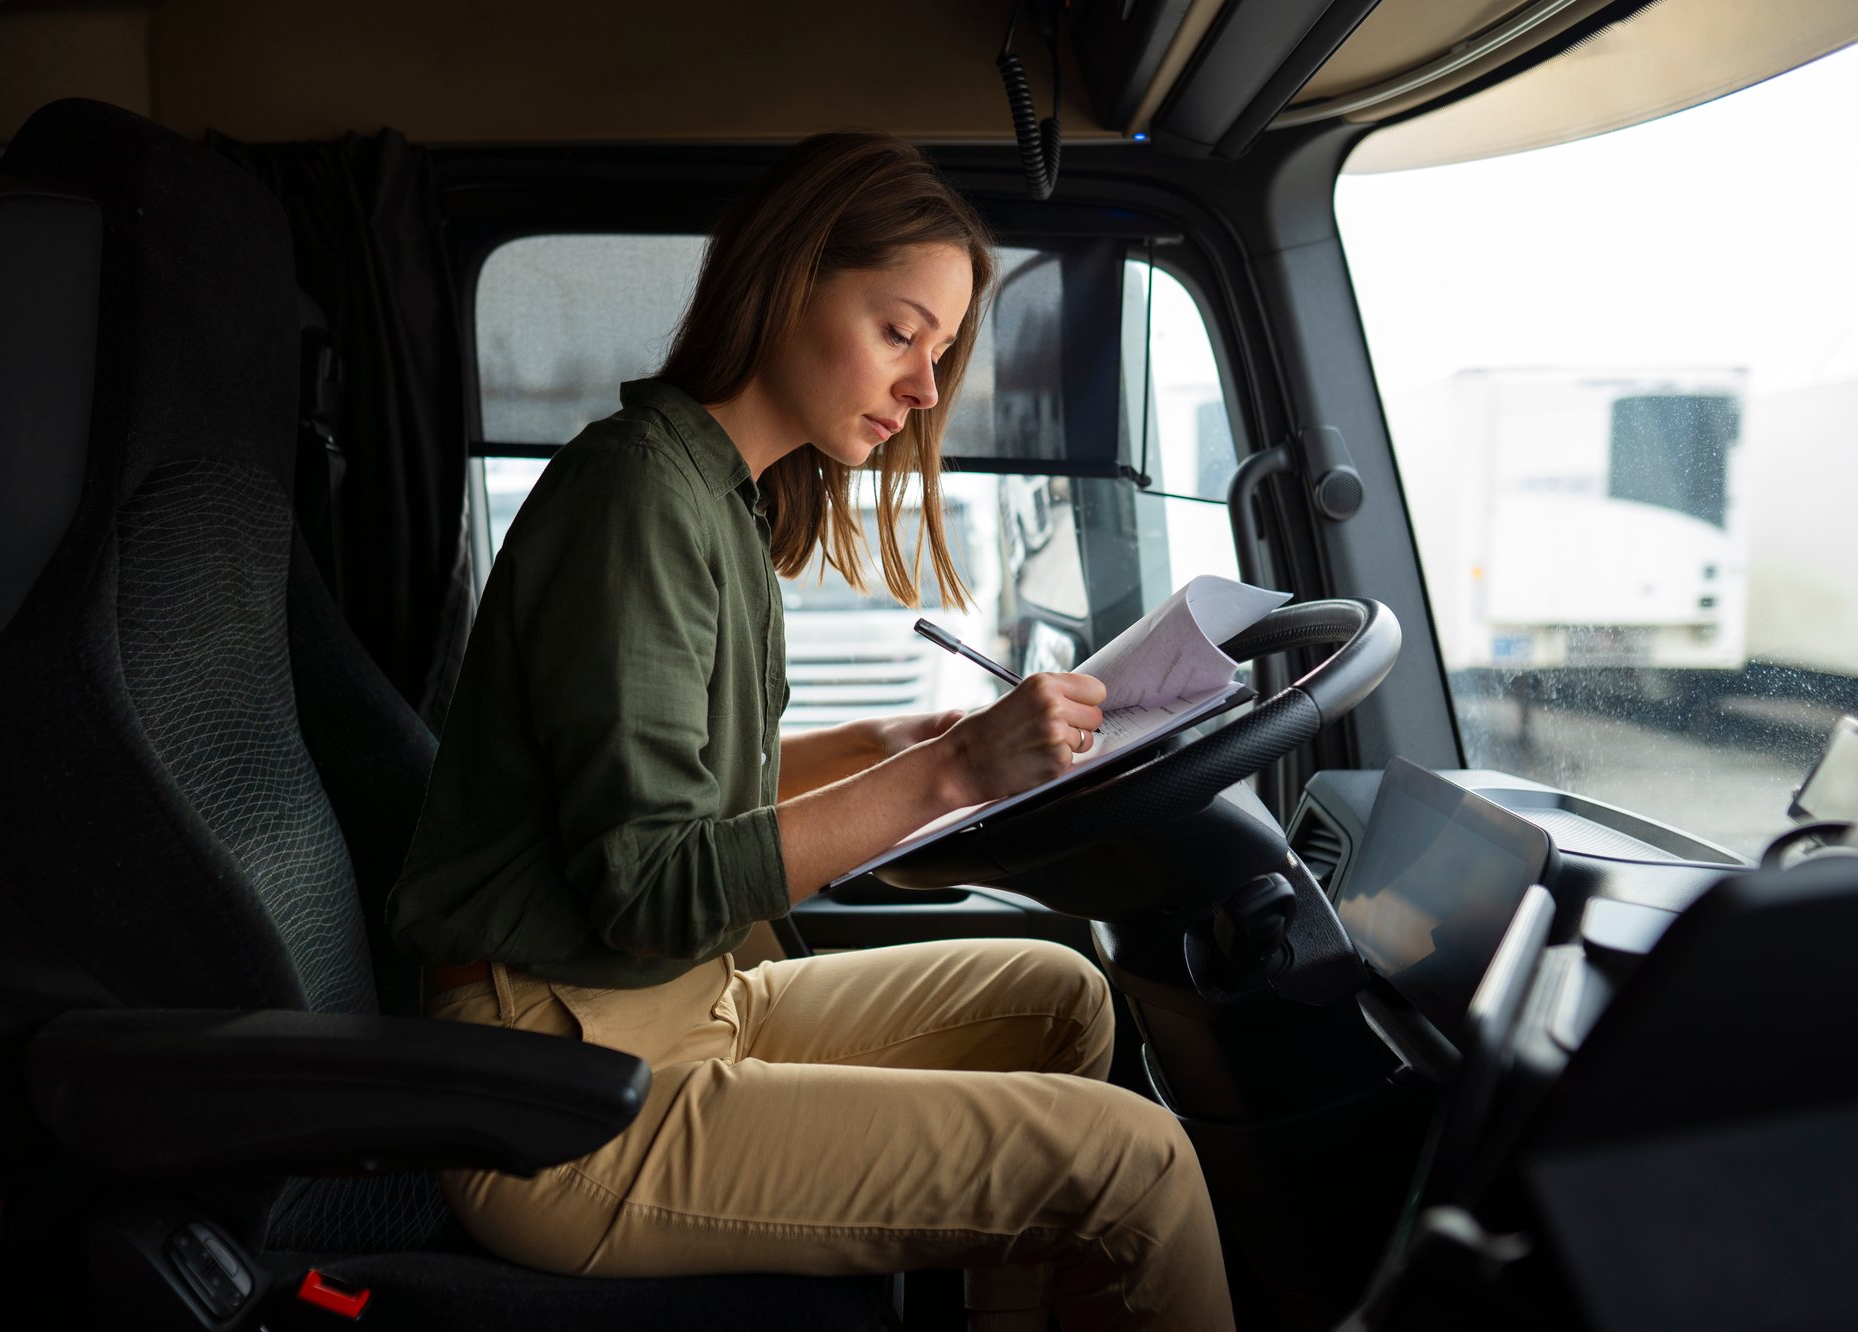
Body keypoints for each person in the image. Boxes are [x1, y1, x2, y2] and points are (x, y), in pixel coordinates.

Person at [389, 131, 1235, 1331]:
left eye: (938, 354)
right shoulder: (636, 499)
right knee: (1131, 1165)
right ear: (786, 280)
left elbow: (670, 791)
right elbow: (646, 884)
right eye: (899, 334)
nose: (926, 390)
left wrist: (896, 740)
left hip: (683, 998)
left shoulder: (717, 502)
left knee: (1058, 995)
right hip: (560, 1087)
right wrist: (954, 771)